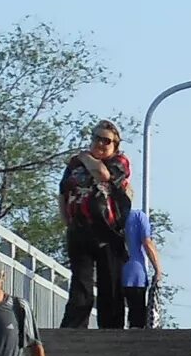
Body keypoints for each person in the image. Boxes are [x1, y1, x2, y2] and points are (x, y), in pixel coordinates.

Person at [57, 119, 134, 329]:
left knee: (110, 285)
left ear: (114, 146)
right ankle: (74, 329)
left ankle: (111, 331)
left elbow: (103, 174)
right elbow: (63, 190)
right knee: (81, 284)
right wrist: (66, 218)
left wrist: (85, 156)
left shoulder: (119, 162)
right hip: (80, 229)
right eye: (96, 138)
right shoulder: (75, 165)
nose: (100, 144)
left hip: (108, 231)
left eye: (106, 141)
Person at [118, 198, 161, 328]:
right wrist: (158, 269)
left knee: (114, 318)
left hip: (112, 273)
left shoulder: (108, 216)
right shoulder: (138, 216)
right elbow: (147, 243)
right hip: (135, 274)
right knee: (137, 317)